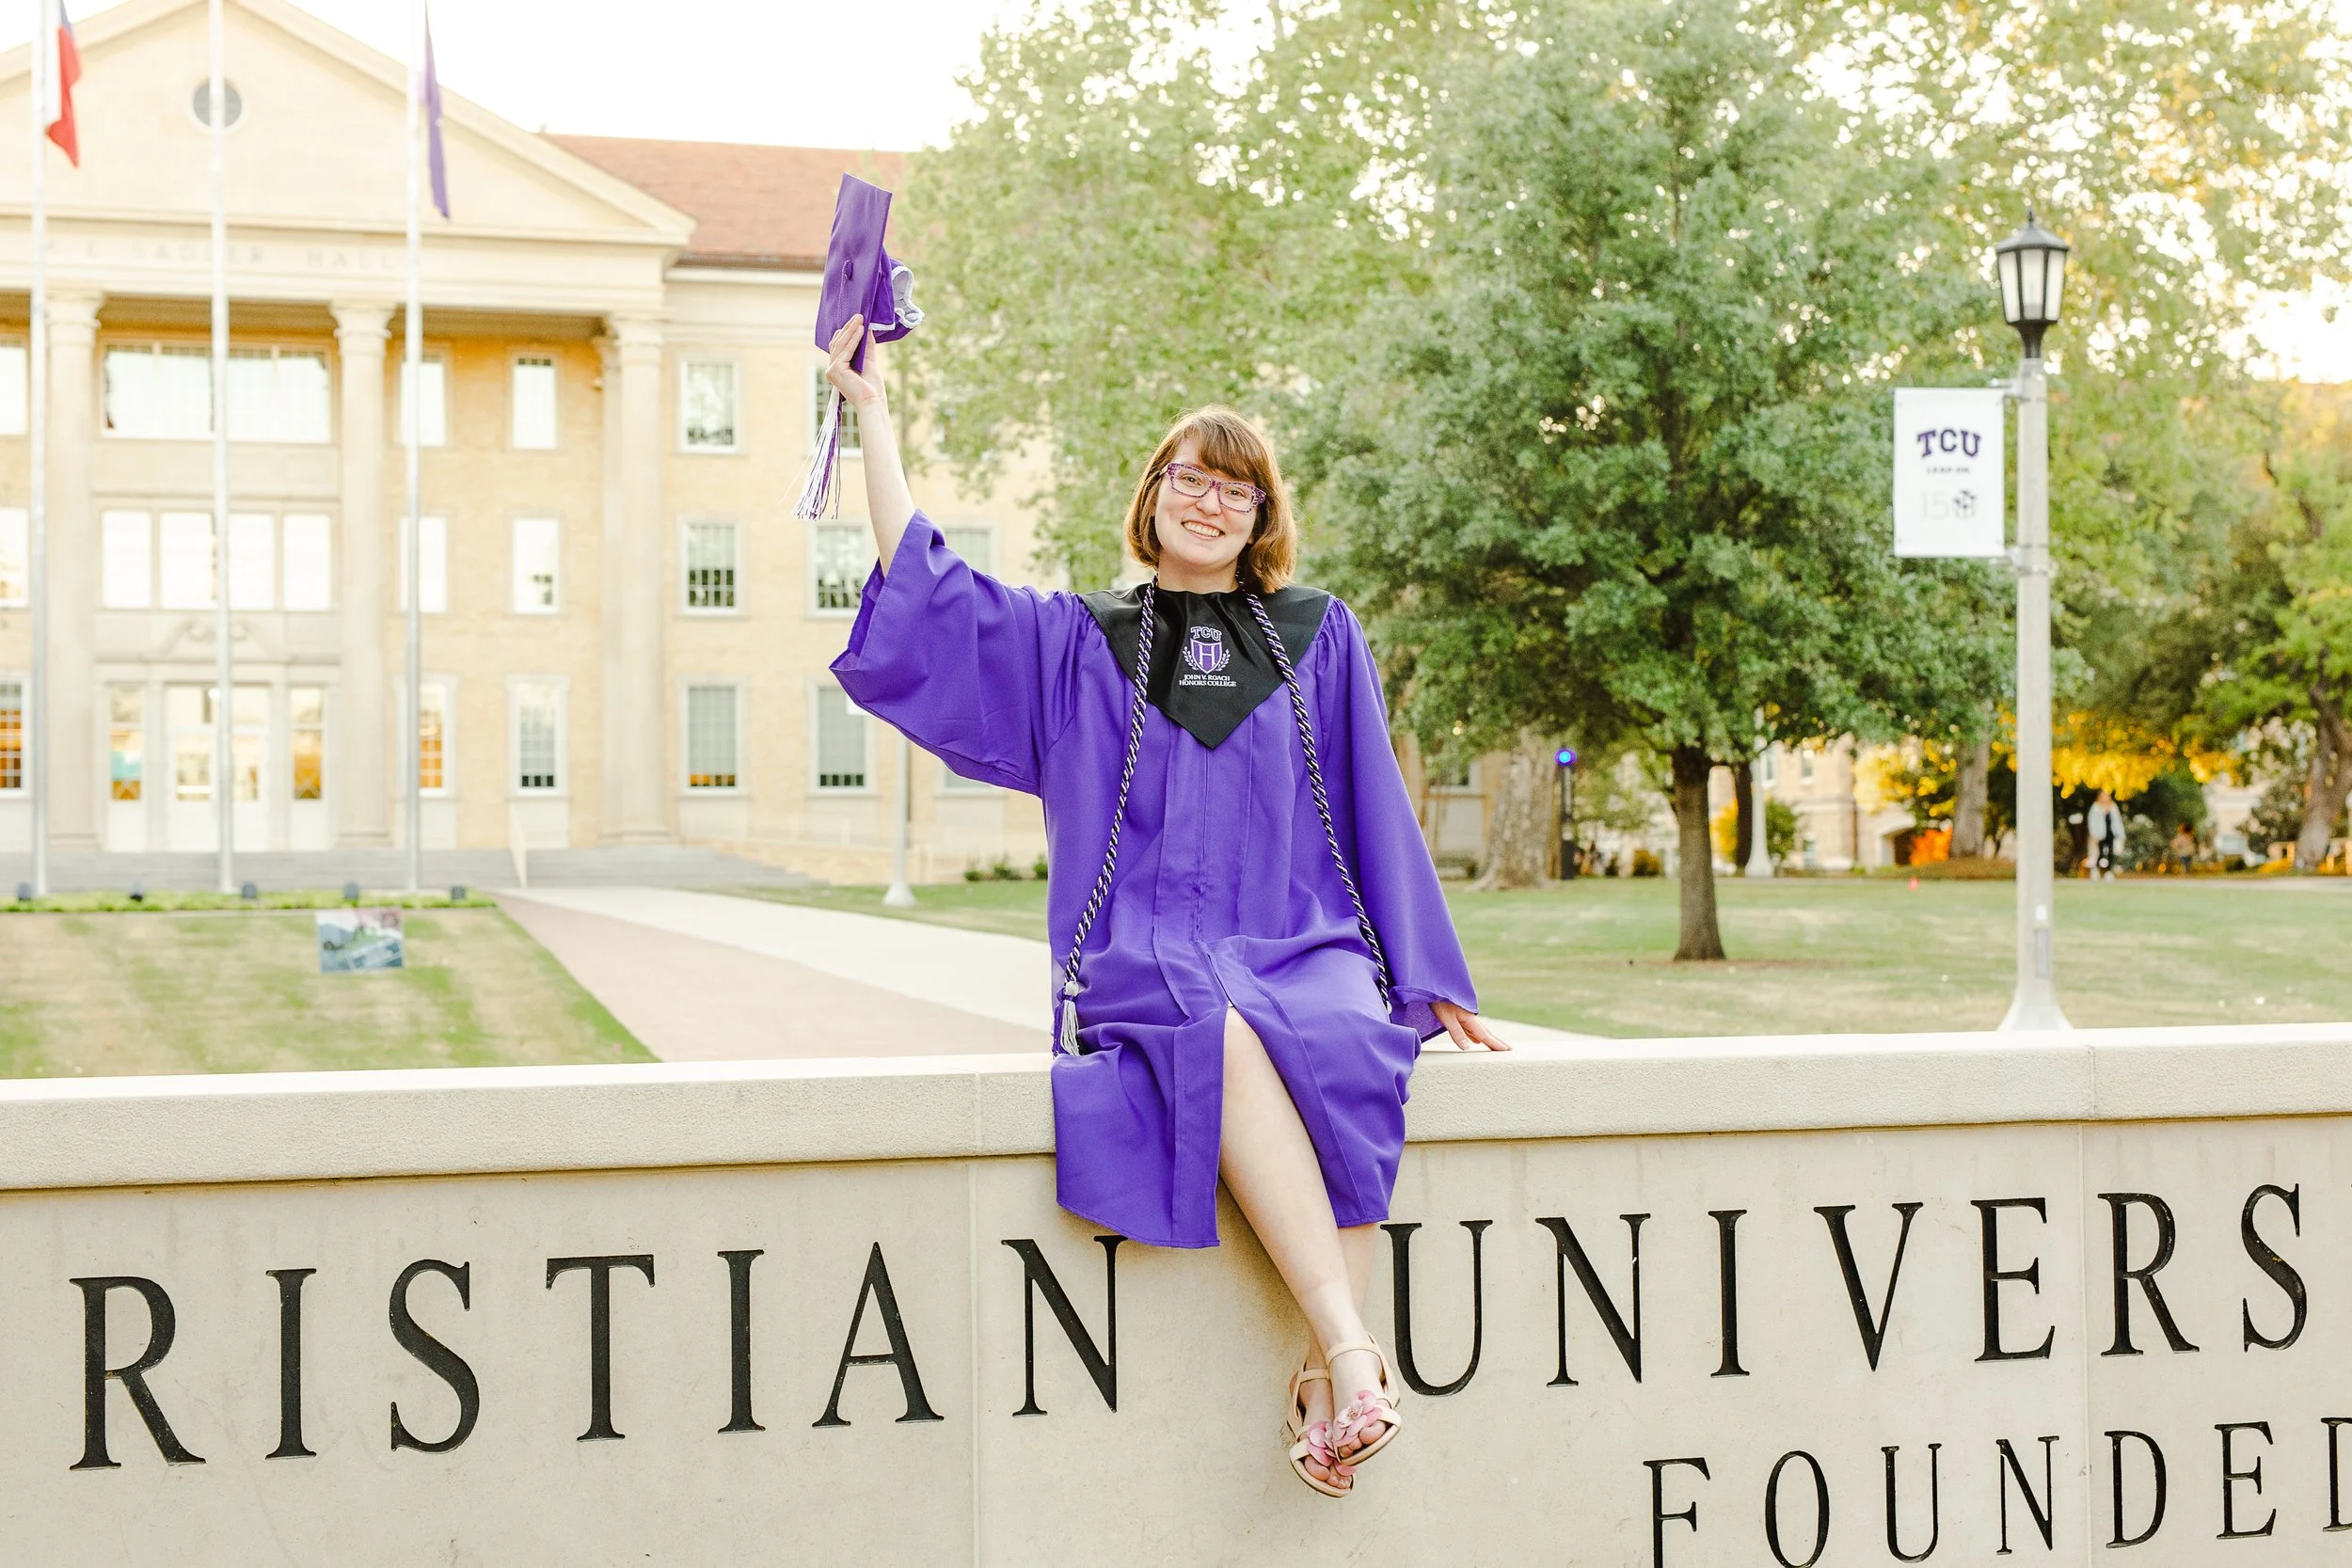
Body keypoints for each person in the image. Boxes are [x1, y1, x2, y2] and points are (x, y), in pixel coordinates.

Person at [823, 316, 1507, 1499]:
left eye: (1237, 487)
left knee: (1349, 1035)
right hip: (1141, 949)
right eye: (1190, 476)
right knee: (1215, 1018)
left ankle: (1325, 1372)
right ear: (1154, 496)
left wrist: (1427, 973)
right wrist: (870, 413)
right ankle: (1348, 1355)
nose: (1211, 500)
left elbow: (1374, 801)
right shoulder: (1083, 640)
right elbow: (931, 591)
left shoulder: (1316, 636)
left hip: (1300, 937)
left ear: (1260, 517)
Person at [2086, 789, 2125, 880]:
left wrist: (2120, 834)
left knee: (2111, 853)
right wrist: (2094, 835)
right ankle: (2096, 870)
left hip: (2111, 834)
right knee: (2100, 853)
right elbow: (2091, 823)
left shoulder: (2113, 807)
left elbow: (2118, 821)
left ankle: (2108, 872)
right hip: (2099, 834)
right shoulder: (2095, 808)